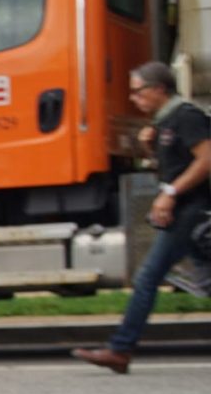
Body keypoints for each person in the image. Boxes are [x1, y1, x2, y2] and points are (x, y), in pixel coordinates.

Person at [75, 62, 209, 374]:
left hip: (192, 211)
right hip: (183, 211)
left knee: (148, 277)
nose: (134, 99)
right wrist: (149, 149)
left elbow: (207, 159)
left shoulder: (186, 117)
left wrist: (171, 194)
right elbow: (176, 165)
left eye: (138, 91)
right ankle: (120, 349)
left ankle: (121, 349)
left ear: (159, 90)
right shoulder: (164, 122)